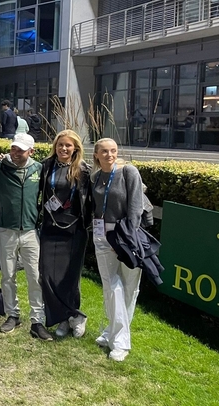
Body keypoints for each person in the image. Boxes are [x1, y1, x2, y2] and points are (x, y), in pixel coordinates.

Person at [0, 133, 53, 341]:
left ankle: (37, 320)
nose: (16, 153)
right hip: (4, 229)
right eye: (13, 149)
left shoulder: (38, 169)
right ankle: (13, 315)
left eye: (21, 150)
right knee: (8, 275)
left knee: (35, 275)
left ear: (31, 151)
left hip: (29, 230)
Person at [91, 138, 144, 362]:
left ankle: (112, 332)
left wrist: (128, 237)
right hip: (102, 235)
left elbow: (135, 207)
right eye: (104, 151)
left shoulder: (129, 172)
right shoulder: (95, 178)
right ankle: (120, 342)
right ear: (96, 155)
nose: (109, 155)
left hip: (126, 235)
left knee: (130, 287)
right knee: (112, 286)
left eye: (113, 151)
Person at [38, 129, 92, 339]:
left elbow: (92, 197)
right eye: (60, 145)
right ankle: (68, 315)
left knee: (70, 277)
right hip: (50, 228)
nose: (63, 148)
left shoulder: (83, 170)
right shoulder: (46, 166)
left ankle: (70, 317)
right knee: (48, 275)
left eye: (68, 145)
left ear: (75, 148)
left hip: (74, 230)